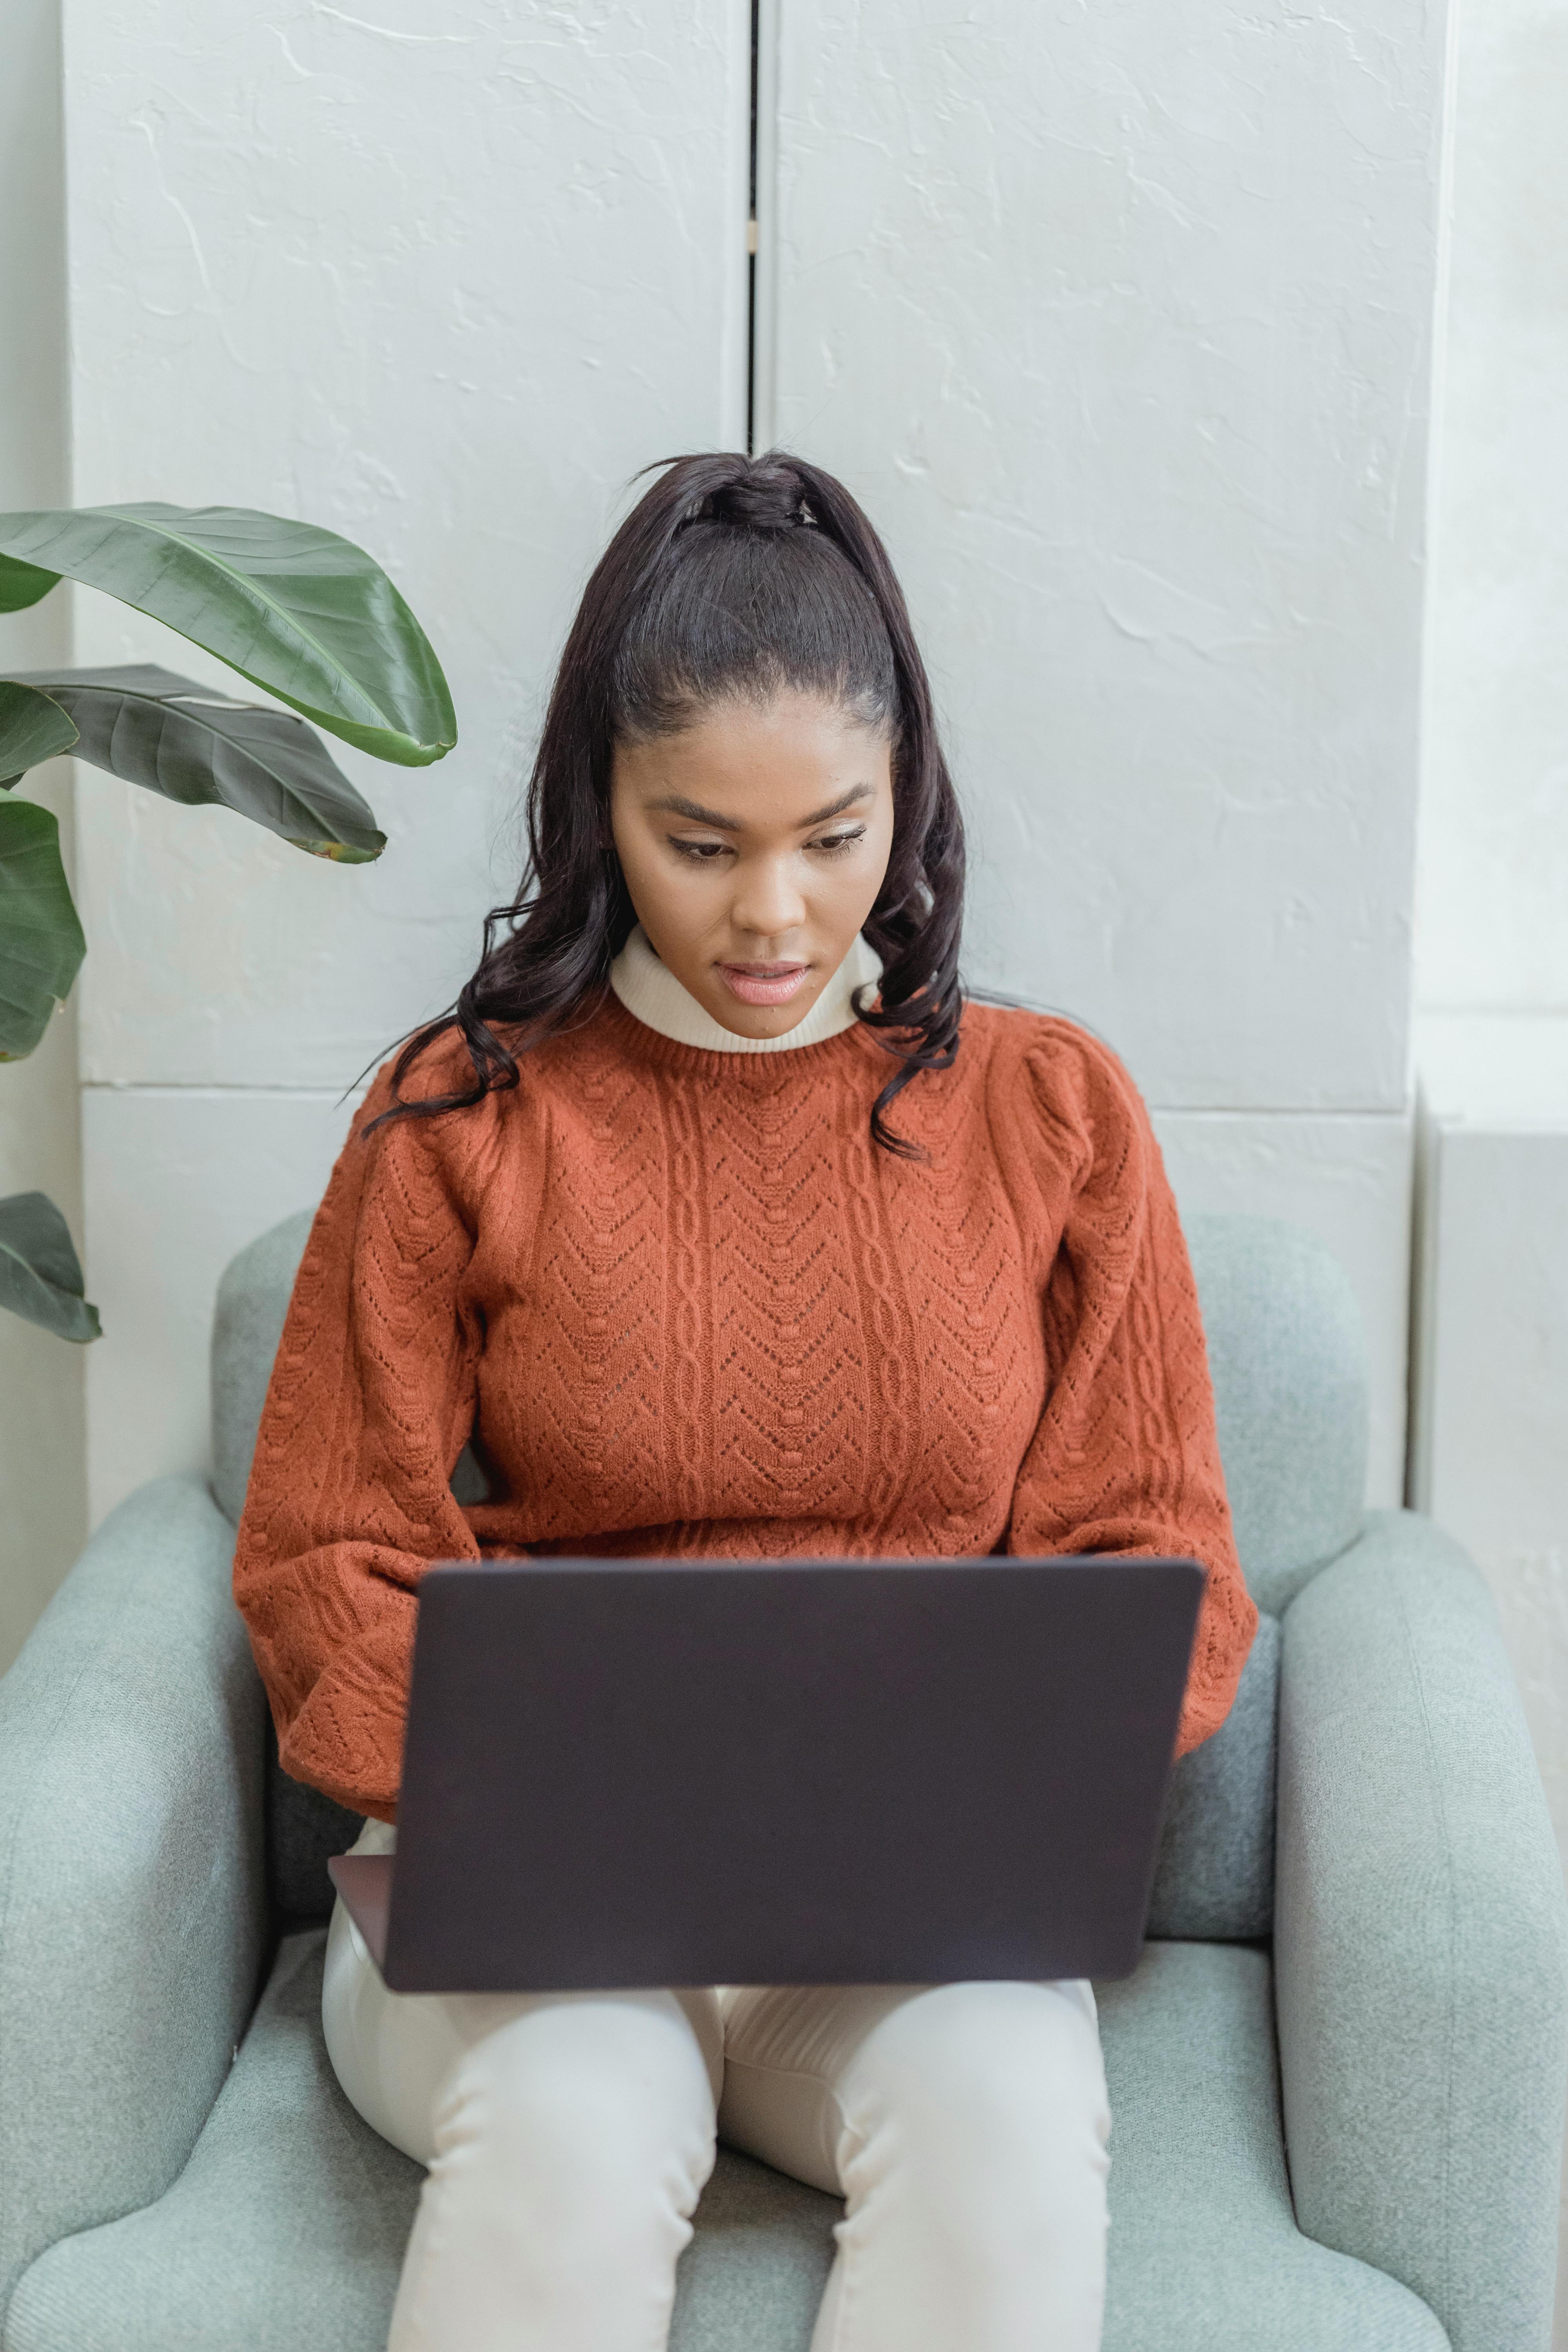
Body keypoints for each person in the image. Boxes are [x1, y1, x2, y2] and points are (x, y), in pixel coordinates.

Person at [233, 450, 1258, 2352]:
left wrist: (1007, 1776)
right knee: (574, 2112)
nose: (774, 915)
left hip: (898, 1930)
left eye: (833, 837)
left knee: (1011, 2123)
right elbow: (323, 1555)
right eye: (700, 844)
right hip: (524, 1920)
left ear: (906, 806)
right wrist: (506, 1788)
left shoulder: (1048, 1113)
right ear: (598, 808)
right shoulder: (463, 1112)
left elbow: (1161, 1554)